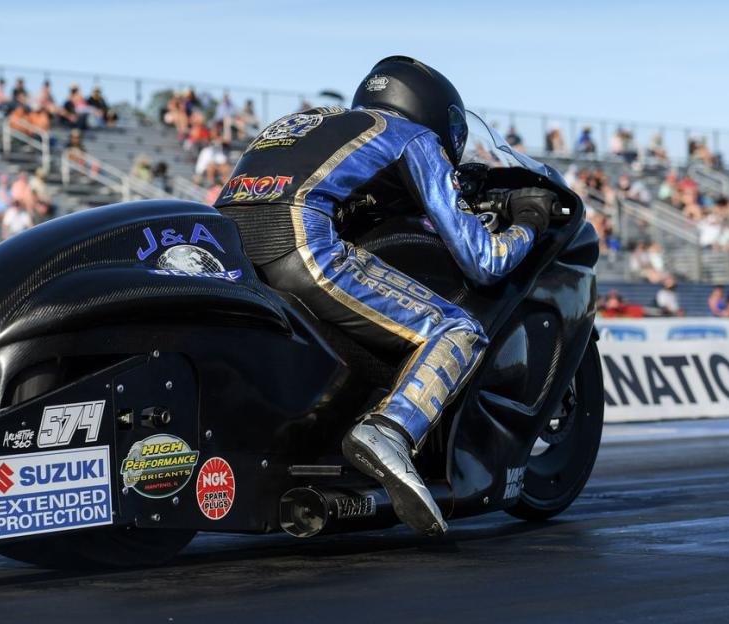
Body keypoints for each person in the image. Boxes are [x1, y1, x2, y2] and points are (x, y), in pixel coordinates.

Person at [212, 56, 553, 536]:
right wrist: (530, 223)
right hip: (300, 240)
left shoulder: (300, 124)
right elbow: (483, 259)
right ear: (433, 108)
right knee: (456, 329)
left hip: (228, 245)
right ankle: (389, 431)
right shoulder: (413, 136)